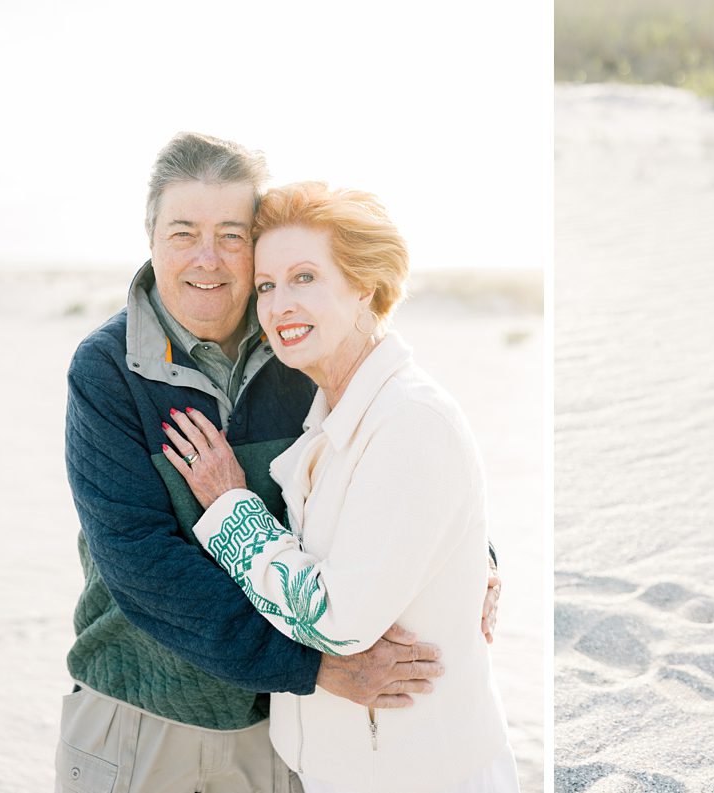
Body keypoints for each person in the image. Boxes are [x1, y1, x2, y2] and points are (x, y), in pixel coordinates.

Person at [60, 132, 501, 793]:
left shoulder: (299, 353)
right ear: (150, 235)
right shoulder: (106, 371)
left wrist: (474, 556)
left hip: (275, 730)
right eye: (184, 232)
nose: (208, 258)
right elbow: (142, 563)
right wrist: (315, 666)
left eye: (232, 235)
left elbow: (398, 473)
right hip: (143, 717)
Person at [160, 181, 518, 792]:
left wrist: (229, 509)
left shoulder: (409, 421)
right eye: (267, 286)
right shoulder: (333, 413)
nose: (278, 306)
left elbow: (335, 619)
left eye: (305, 278)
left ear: (365, 288)